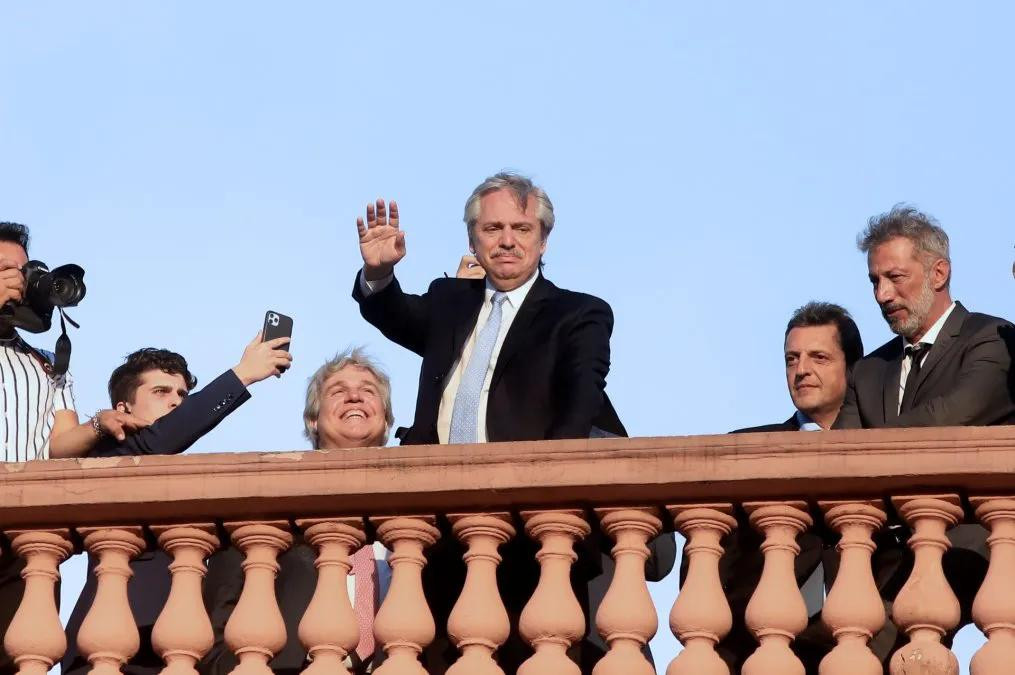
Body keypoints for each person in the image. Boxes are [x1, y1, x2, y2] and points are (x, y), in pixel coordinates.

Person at [835, 205, 1015, 662]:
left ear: (939, 273)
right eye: (875, 281)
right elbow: (837, 458)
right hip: (881, 556)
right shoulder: (869, 370)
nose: (882, 294)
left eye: (895, 277)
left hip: (968, 547)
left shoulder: (992, 339)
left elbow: (944, 422)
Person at [62, 338, 292, 675]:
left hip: (179, 652)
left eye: (181, 395)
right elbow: (162, 438)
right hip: (111, 652)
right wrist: (243, 374)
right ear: (123, 409)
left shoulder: (181, 476)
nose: (175, 402)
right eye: (161, 392)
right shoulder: (111, 453)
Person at [352, 171, 625, 445]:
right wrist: (379, 270)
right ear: (472, 241)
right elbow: (391, 313)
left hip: (524, 478)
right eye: (493, 228)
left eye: (521, 228)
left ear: (543, 241)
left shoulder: (577, 314)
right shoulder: (448, 300)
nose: (507, 241)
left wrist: (544, 476)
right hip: (434, 477)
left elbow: (579, 408)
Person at [0, 222, 149, 674]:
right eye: (4, 268)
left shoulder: (46, 364)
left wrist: (99, 424)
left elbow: (59, 443)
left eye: (22, 270)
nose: (17, 278)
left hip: (26, 536)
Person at [201, 348, 393, 675]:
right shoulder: (269, 509)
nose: (355, 397)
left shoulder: (412, 524)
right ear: (313, 419)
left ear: (387, 420)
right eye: (338, 391)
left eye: (368, 391)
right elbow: (215, 624)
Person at [718, 302, 863, 673]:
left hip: (865, 647)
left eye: (818, 357)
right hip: (759, 652)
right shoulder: (744, 448)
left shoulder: (880, 445)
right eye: (791, 359)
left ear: (852, 367)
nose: (802, 371)